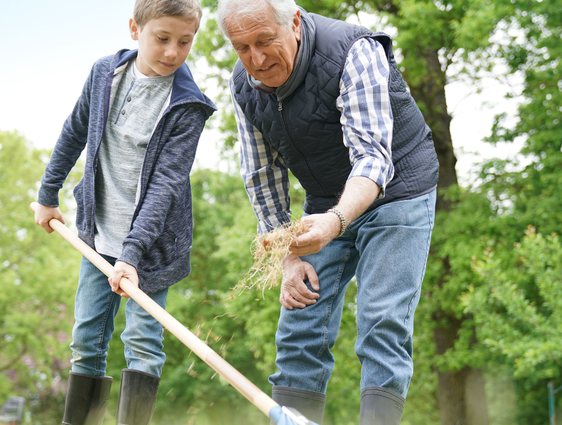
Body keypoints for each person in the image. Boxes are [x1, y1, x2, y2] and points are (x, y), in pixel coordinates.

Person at [216, 0, 439, 423]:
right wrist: (288, 257)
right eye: (242, 48)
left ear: (295, 23)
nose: (256, 60)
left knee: (381, 321)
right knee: (299, 322)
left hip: (397, 188)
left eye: (265, 41)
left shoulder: (353, 52)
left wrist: (336, 222)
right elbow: (261, 175)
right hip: (324, 199)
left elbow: (373, 159)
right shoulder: (243, 84)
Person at [33, 0, 215, 423]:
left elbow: (166, 187)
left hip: (150, 246)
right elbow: (74, 130)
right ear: (135, 29)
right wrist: (47, 194)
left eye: (185, 42)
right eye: (162, 38)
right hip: (98, 232)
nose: (173, 51)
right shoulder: (104, 75)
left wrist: (131, 256)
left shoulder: (189, 107)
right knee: (87, 338)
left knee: (143, 341)